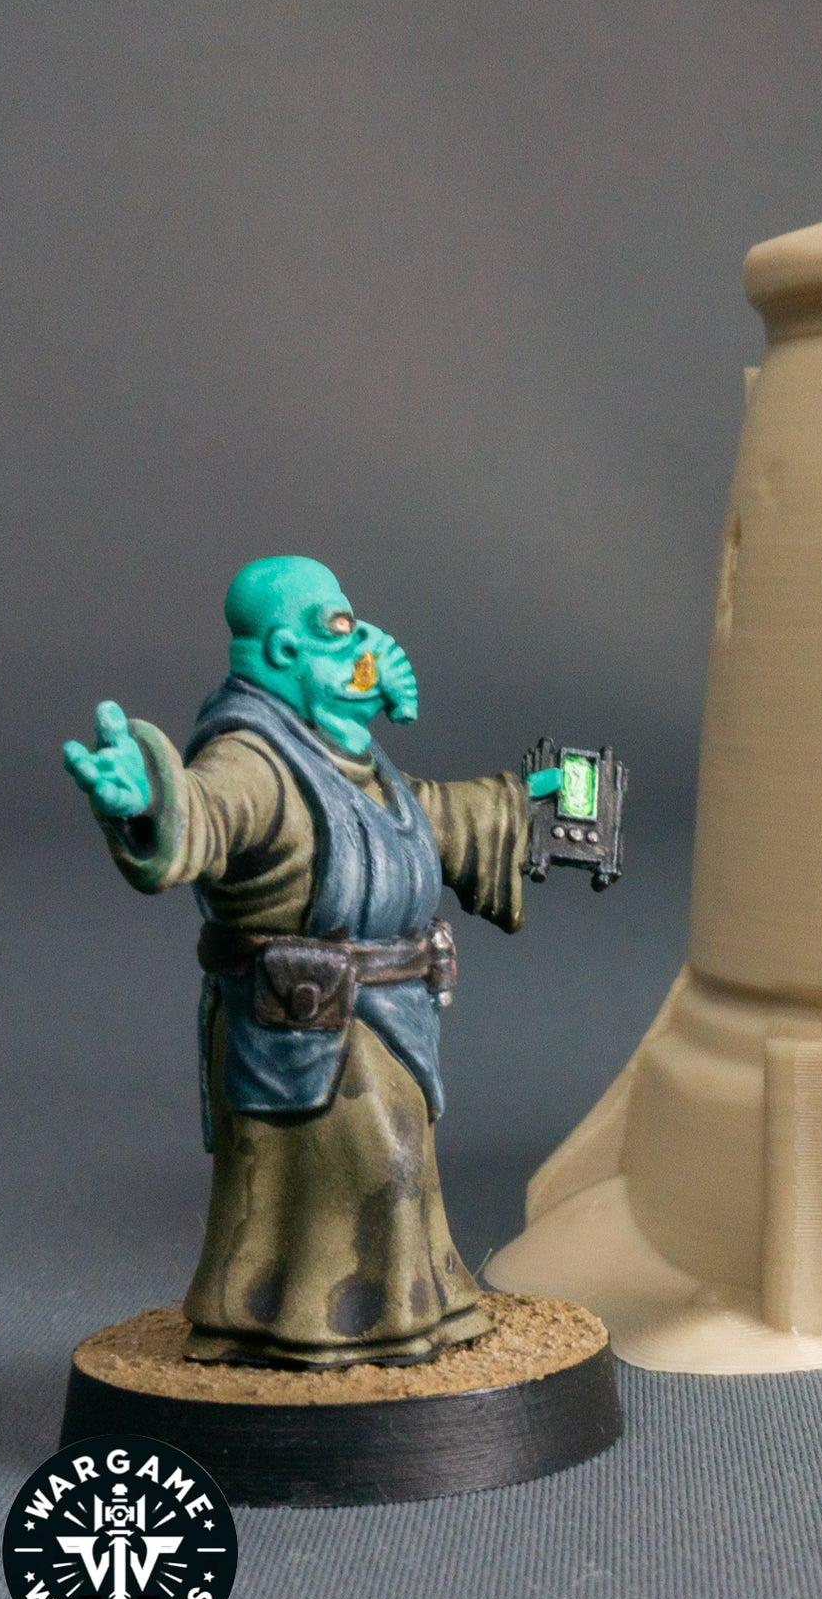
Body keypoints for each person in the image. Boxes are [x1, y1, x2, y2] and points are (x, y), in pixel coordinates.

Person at [62, 556, 564, 1368]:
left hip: (389, 1022)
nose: (366, 640)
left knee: (398, 1171)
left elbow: (426, 816)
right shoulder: (254, 758)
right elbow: (205, 808)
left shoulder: (343, 753)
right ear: (286, 652)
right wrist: (148, 797)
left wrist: (535, 804)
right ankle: (320, 1327)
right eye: (339, 625)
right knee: (351, 1177)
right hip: (306, 1032)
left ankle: (403, 1317)